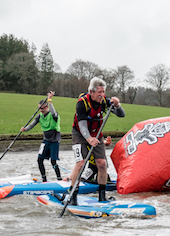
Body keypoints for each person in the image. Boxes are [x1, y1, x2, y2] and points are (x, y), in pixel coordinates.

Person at [68, 77, 125, 205]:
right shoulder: (82, 103)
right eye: (99, 92)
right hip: (79, 133)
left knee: (102, 163)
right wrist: (88, 139)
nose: (102, 95)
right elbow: (82, 126)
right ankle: (73, 195)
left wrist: (117, 105)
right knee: (81, 163)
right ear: (91, 92)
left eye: (103, 92)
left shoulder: (105, 101)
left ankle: (102, 195)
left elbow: (122, 114)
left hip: (96, 133)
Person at [20, 91, 62, 182]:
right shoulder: (39, 116)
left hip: (54, 141)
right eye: (39, 109)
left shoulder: (54, 115)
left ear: (46, 107)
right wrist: (25, 129)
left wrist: (50, 100)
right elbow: (32, 125)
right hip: (46, 141)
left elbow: (54, 113)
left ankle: (59, 179)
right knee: (39, 160)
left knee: (53, 162)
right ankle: (44, 179)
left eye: (42, 108)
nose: (41, 111)